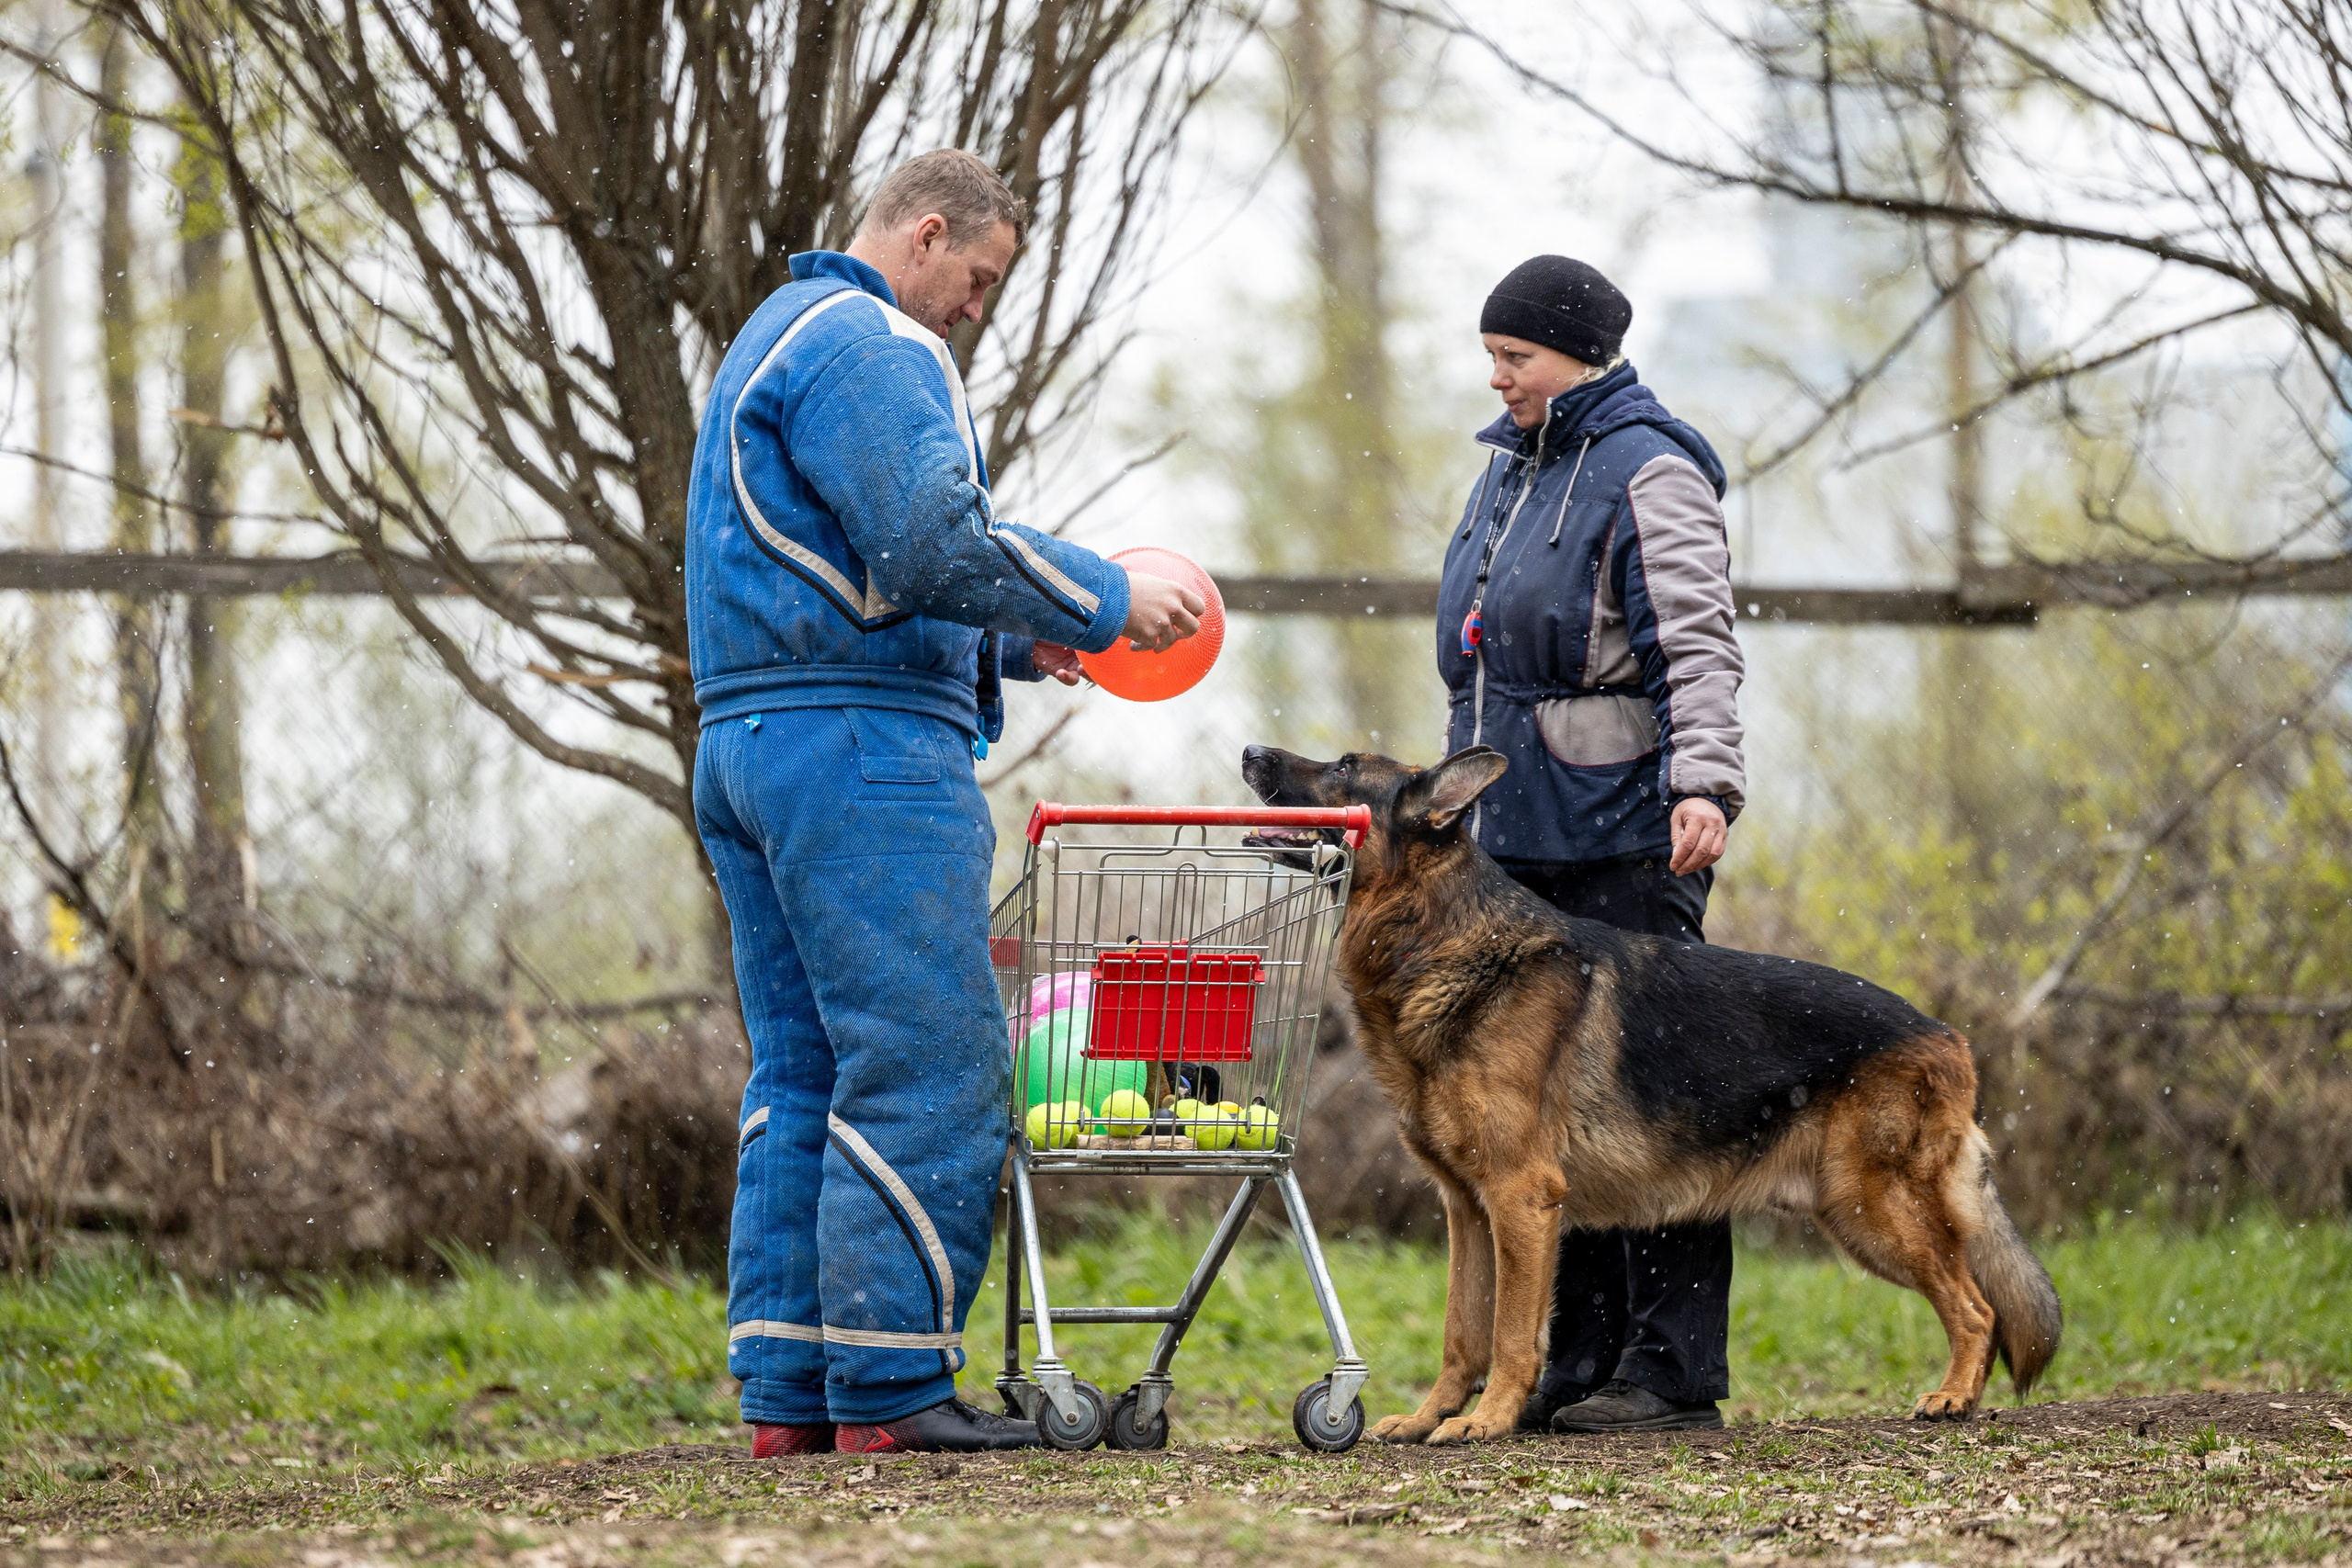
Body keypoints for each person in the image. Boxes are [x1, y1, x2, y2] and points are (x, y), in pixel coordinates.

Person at [684, 150, 1204, 1456]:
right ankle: (896, 1388)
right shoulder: (876, 343)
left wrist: (1024, 646)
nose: (975, 307)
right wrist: (1101, 596)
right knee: (930, 1058)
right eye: (978, 276)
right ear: (925, 234)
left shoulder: (769, 337)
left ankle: (794, 1388)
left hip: (752, 735)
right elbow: (926, 539)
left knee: (806, 1064)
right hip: (860, 752)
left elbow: (845, 566)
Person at [1432, 254, 1747, 1434]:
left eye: (1515, 356)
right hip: (1514, 840)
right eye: (1493, 356)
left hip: (1622, 829)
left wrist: (1703, 783)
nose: (1498, 376)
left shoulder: (1650, 468)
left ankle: (1668, 1372)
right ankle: (1573, 1362)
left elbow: (1698, 643)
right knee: (1545, 1121)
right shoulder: (1510, 472)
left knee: (1653, 1098)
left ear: (1578, 354)